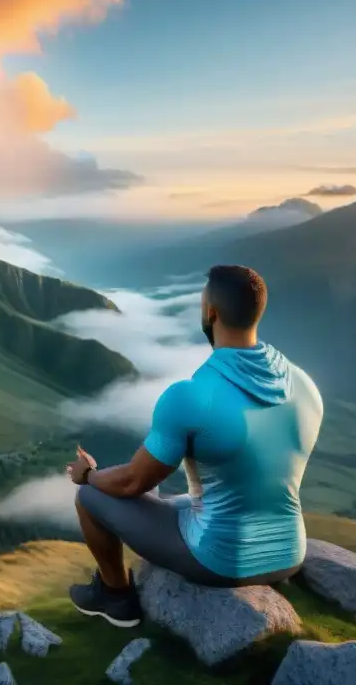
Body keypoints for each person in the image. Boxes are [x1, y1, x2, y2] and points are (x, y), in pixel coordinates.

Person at [66, 265, 323, 628]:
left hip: (222, 560)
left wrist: (89, 475)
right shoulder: (304, 385)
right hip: (291, 551)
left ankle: (116, 596)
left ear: (211, 313)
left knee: (92, 499)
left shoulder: (190, 398)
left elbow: (130, 483)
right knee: (176, 501)